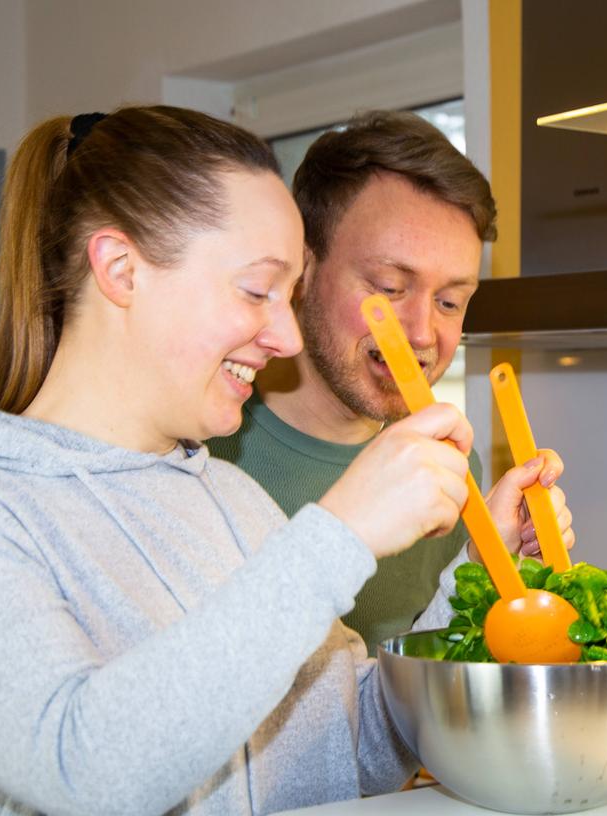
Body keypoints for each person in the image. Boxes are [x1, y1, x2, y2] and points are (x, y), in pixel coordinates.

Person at [0, 106, 532, 814]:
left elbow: (363, 745)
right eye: (257, 290)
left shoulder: (230, 500)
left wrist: (474, 590)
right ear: (120, 270)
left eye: (289, 296)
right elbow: (80, 771)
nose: (287, 337)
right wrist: (340, 535)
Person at [208, 111, 574, 653]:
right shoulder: (207, 452)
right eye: (389, 287)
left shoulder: (448, 468)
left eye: (450, 302)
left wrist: (483, 567)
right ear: (302, 270)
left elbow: (396, 707)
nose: (422, 333)